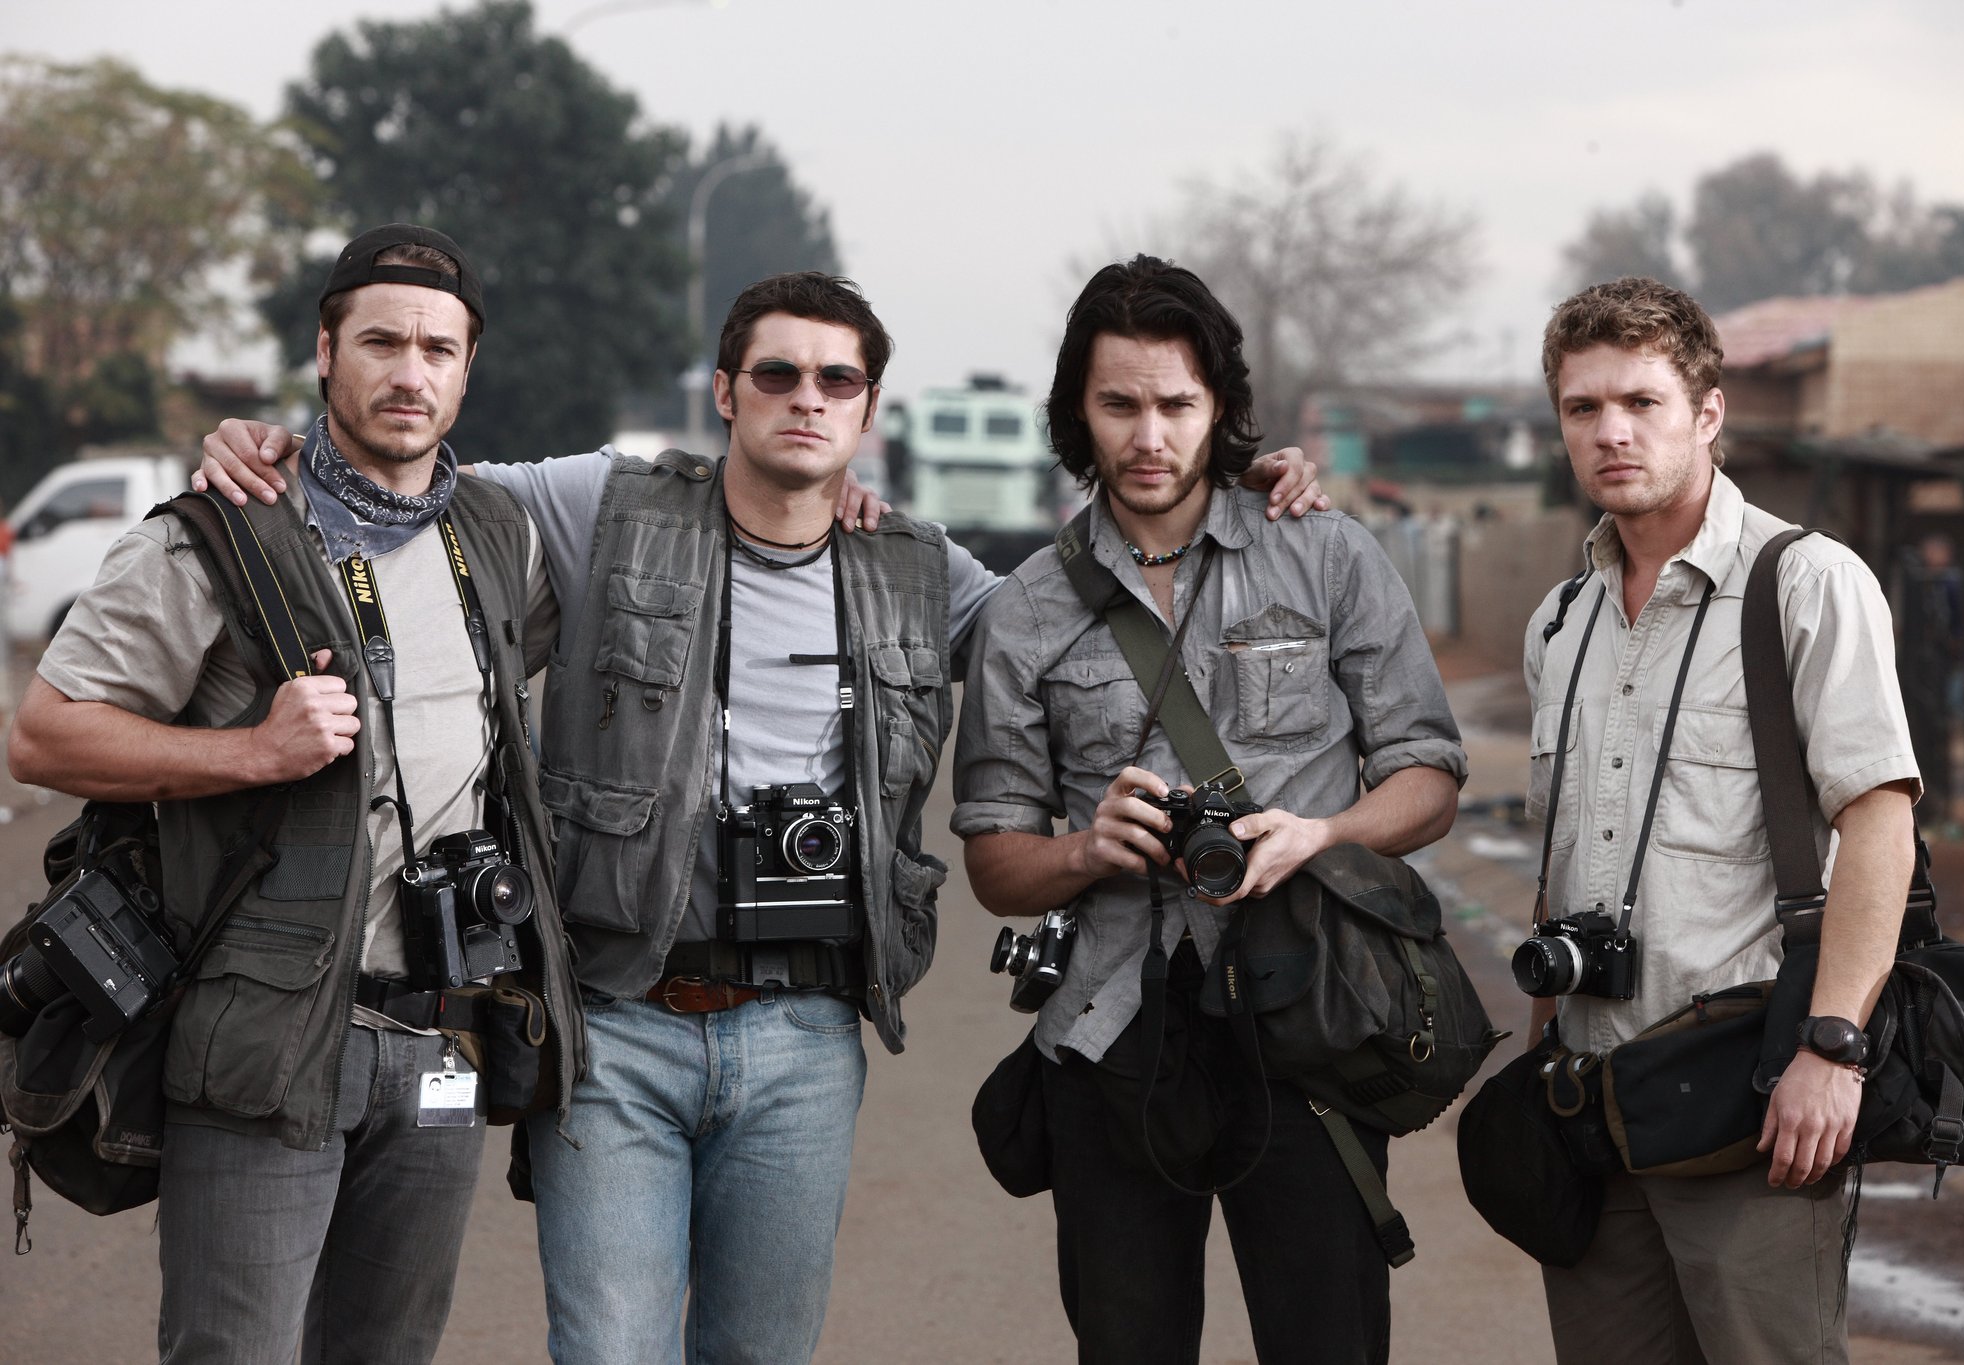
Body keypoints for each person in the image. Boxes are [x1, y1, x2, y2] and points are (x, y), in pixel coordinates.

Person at [197, 268, 1328, 1364]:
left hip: (804, 1036)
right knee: (609, 1348)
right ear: (726, 391)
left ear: (869, 411)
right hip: (614, 1020)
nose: (807, 399)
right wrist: (279, 443)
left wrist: (1241, 490)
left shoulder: (923, 572)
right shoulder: (604, 502)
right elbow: (411, 479)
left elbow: (1110, 623)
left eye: (837, 383)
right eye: (778, 374)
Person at [7, 224, 580, 1363]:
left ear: (470, 369)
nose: (408, 372)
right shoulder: (213, 537)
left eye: (436, 348)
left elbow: (722, 507)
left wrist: (850, 507)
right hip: (264, 1040)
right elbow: (43, 735)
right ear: (325, 352)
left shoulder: (501, 541)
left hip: (443, 1043)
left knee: (389, 1352)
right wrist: (249, 755)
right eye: (379, 341)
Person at [951, 255, 1465, 1364]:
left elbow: (1427, 779)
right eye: (1118, 403)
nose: (1148, 436)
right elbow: (994, 862)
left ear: (1220, 408)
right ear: (1075, 413)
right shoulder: (1027, 608)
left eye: (1177, 404)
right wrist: (1088, 848)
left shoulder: (1322, 551)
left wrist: (1320, 833)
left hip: (1310, 1026)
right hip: (1111, 1030)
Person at [1523, 276, 1920, 1363]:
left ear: (1705, 414)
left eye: (1640, 403)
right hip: (1590, 1104)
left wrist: (1830, 1052)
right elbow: (1558, 863)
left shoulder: (1803, 585)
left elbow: (1878, 827)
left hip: (1750, 1102)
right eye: (1582, 408)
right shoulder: (1559, 620)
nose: (1610, 432)